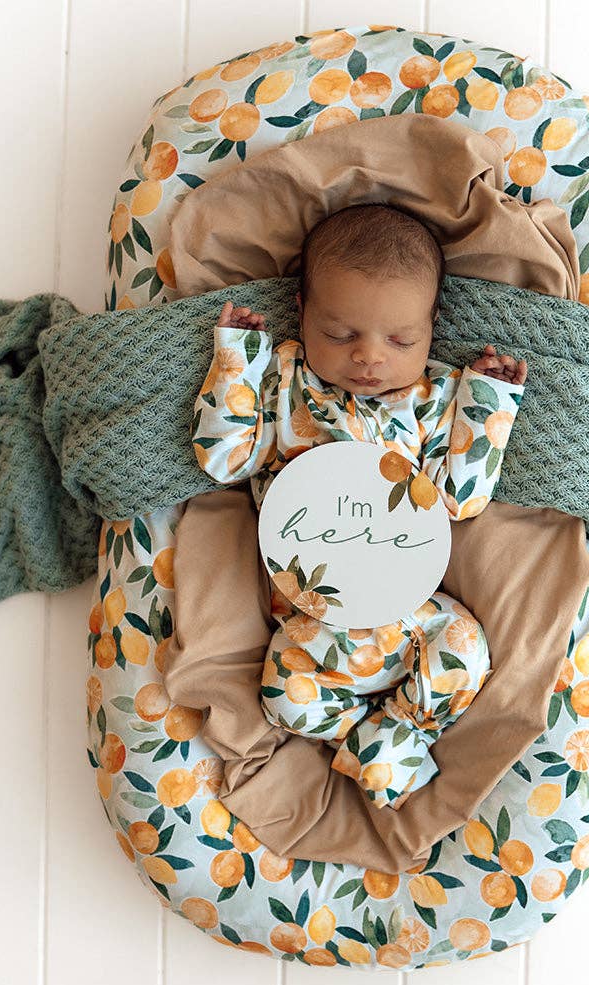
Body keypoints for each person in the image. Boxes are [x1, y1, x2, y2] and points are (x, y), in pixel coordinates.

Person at [191, 202, 528, 810]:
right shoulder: (287, 380)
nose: (369, 357)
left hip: (409, 611)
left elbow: (460, 498)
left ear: (431, 327)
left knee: (464, 645)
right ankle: (372, 745)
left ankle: (398, 733)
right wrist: (237, 361)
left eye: (401, 340)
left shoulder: (432, 398)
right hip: (310, 619)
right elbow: (224, 461)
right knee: (284, 699)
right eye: (340, 334)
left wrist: (488, 404)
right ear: (302, 312)